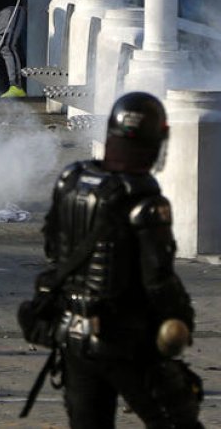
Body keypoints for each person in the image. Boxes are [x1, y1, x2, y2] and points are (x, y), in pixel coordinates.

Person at [18, 92, 202, 428]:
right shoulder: (145, 202)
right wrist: (182, 319)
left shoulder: (71, 179)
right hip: (125, 339)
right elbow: (158, 280)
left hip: (72, 333)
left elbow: (53, 248)